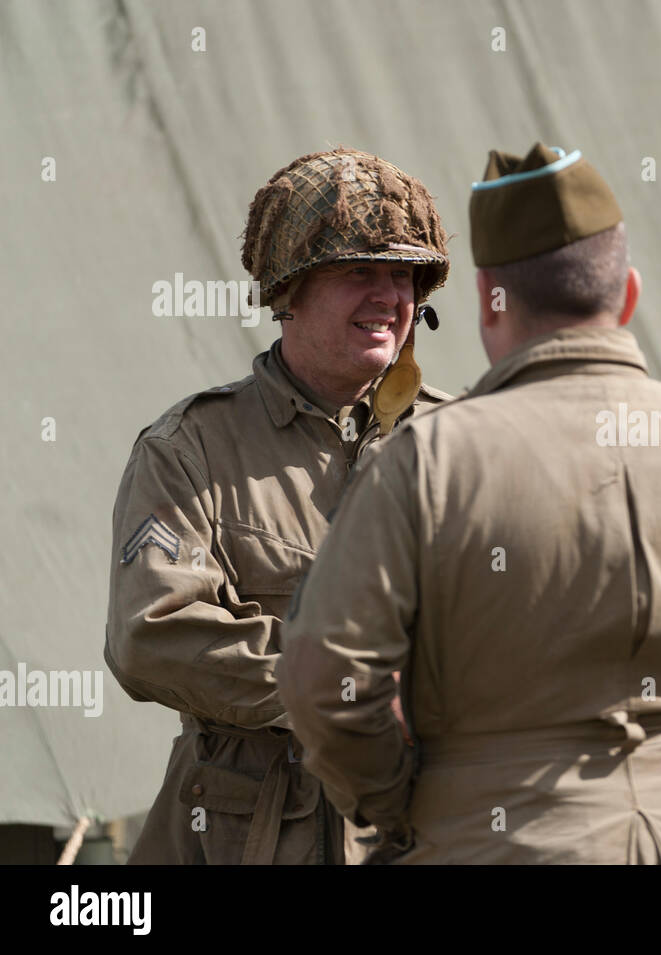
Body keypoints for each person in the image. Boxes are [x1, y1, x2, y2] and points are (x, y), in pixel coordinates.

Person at [276, 143, 661, 864]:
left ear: (489, 302)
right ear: (626, 294)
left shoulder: (424, 465)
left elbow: (324, 681)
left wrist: (403, 802)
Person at [104, 147, 454, 864]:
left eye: (402, 275)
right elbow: (150, 634)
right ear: (289, 289)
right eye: (360, 270)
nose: (389, 296)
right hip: (244, 839)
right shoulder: (190, 450)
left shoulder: (467, 442)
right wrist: (346, 681)